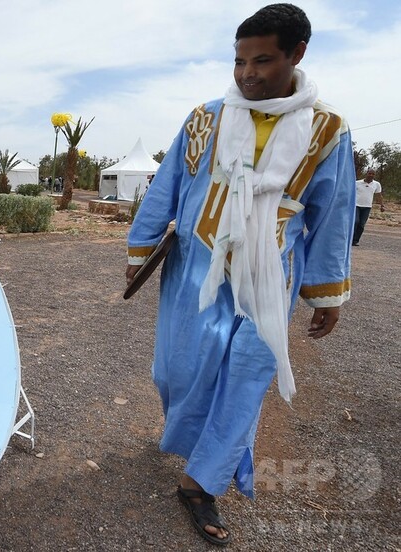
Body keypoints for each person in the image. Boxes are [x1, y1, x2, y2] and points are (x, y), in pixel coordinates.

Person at [124, 4, 354, 546]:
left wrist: (327, 291)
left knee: (246, 380)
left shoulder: (328, 130)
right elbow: (167, 185)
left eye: (263, 60)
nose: (247, 73)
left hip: (271, 277)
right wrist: (140, 246)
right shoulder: (206, 116)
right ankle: (191, 439)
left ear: (297, 54)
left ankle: (201, 483)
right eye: (239, 61)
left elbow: (334, 211)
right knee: (178, 372)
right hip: (194, 269)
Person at [352, 168, 385, 246]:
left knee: (362, 224)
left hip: (367, 207)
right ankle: (350, 238)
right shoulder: (357, 183)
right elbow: (351, 193)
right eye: (369, 173)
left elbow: (379, 195)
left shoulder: (376, 184)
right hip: (356, 205)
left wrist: (382, 205)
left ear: (374, 175)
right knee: (355, 222)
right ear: (366, 173)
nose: (371, 175)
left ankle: (355, 240)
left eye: (373, 174)